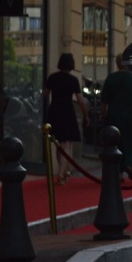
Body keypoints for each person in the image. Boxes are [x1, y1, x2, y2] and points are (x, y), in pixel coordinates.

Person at [100, 57, 132, 179]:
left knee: (116, 143)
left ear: (117, 64)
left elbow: (104, 100)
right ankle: (129, 164)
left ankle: (119, 173)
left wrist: (102, 114)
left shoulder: (111, 78)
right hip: (131, 117)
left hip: (114, 116)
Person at [43, 53, 87, 183]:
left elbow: (45, 94)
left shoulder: (52, 77)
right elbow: (81, 100)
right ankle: (61, 175)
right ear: (72, 65)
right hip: (67, 111)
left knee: (58, 144)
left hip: (54, 110)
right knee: (67, 144)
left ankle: (64, 171)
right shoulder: (73, 80)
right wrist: (85, 114)